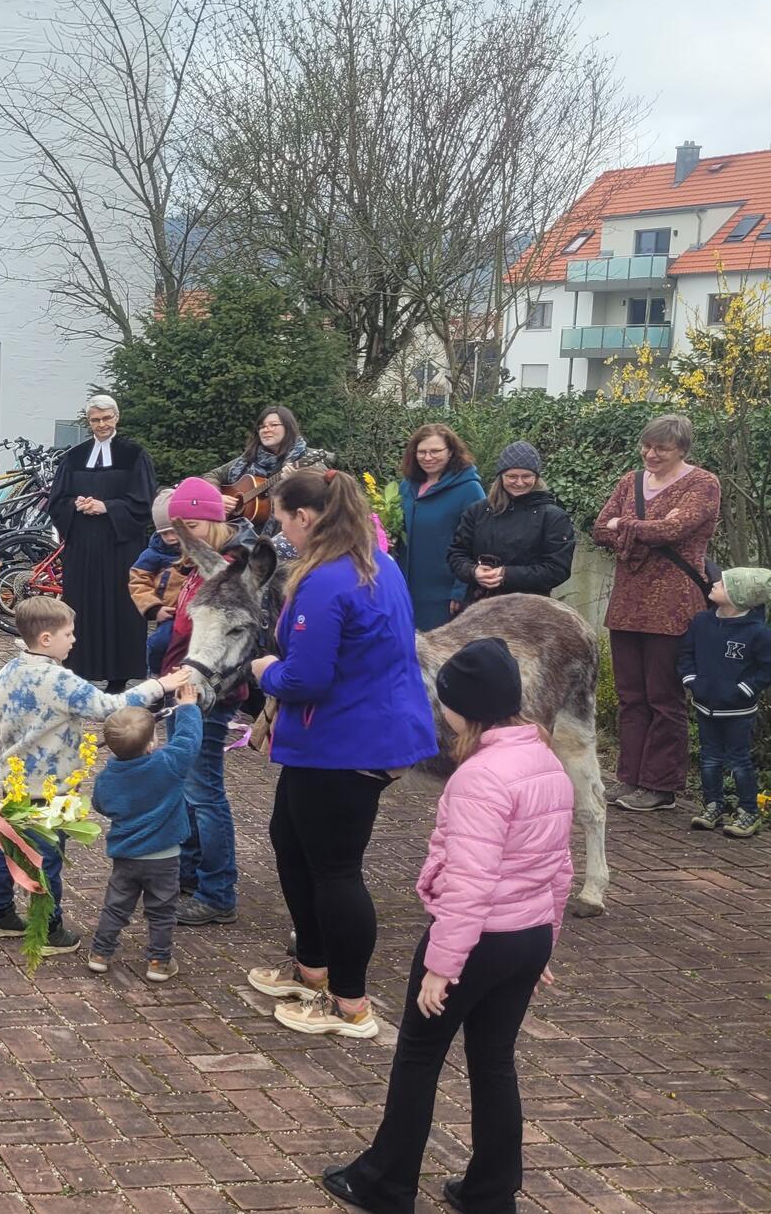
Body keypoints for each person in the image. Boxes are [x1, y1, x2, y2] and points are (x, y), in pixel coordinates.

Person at [321, 638, 571, 1214]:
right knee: (494, 1060)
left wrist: (442, 965)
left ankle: (385, 1183)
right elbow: (559, 866)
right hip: (526, 936)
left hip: (476, 939)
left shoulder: (480, 776)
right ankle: (490, 1191)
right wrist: (546, 943)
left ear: (464, 706)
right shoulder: (545, 760)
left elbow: (470, 882)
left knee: (418, 1054)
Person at [245, 469, 438, 1040]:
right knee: (290, 839)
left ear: (306, 517)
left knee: (335, 869)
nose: (277, 526)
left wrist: (264, 671)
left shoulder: (328, 581)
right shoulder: (378, 562)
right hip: (347, 735)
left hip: (345, 741)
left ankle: (349, 1004)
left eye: (281, 516)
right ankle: (313, 967)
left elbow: (305, 677)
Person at [0, 596, 182, 951]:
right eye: (69, 634)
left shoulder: (6, 672)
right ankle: (48, 929)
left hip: (13, 780)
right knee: (48, 860)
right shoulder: (61, 681)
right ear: (46, 639)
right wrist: (161, 686)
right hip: (51, 787)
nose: (74, 640)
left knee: (9, 847)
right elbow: (112, 706)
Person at [592, 414, 722, 814]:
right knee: (632, 697)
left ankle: (661, 786)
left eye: (661, 449)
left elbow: (673, 530)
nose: (650, 454)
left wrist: (625, 524)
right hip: (628, 602)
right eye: (646, 446)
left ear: (681, 449)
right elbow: (599, 528)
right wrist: (639, 525)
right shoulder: (629, 482)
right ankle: (629, 778)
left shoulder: (703, 484)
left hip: (674, 605)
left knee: (664, 696)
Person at [158, 478, 258, 927]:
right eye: (181, 529)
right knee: (185, 785)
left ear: (217, 522)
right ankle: (190, 872)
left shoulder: (233, 572)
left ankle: (217, 890)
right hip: (180, 688)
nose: (188, 536)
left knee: (204, 791)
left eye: (195, 524)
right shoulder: (197, 566)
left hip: (208, 695)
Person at [87, 687, 201, 981]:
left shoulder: (107, 778)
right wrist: (188, 707)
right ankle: (158, 963)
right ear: (152, 743)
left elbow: (100, 805)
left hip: (126, 855)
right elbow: (189, 741)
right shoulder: (168, 764)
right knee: (162, 911)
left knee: (116, 906)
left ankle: (100, 953)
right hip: (164, 856)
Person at [48, 395, 157, 688]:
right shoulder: (74, 457)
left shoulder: (134, 455)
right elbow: (57, 500)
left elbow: (144, 503)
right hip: (82, 547)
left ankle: (119, 677)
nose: (101, 425)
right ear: (89, 422)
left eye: (107, 418)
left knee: (120, 608)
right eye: (95, 420)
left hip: (120, 549)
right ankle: (80, 669)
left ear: (116, 418)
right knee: (82, 607)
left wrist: (107, 507)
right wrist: (76, 505)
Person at [681, 568, 771, 837]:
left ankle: (748, 812)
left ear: (738, 596)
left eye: (722, 583)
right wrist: (691, 680)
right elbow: (686, 654)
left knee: (738, 761)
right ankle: (713, 805)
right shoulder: (701, 622)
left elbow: (766, 669)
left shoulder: (758, 633)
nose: (714, 583)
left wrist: (743, 689)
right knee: (709, 759)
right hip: (705, 706)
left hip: (738, 710)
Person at [445, 442, 574, 609]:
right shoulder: (477, 512)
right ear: (501, 477)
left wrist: (506, 574)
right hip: (477, 608)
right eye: (512, 476)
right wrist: (473, 571)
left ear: (536, 478)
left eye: (526, 476)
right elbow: (456, 554)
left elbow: (557, 569)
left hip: (529, 610)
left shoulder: (553, 517)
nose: (519, 483)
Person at [394, 424, 484, 631]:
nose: (428, 457)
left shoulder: (470, 489)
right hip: (405, 589)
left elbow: (478, 542)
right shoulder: (406, 487)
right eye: (422, 452)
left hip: (443, 594)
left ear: (451, 452)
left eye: (435, 451)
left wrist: (461, 590)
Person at [212, 406, 311, 529]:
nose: (266, 430)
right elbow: (211, 476)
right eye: (262, 427)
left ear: (288, 427)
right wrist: (216, 497)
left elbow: (321, 496)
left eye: (273, 425)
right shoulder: (247, 459)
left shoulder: (306, 458)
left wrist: (295, 484)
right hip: (240, 536)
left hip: (288, 534)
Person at [131, 489, 183, 671]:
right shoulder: (153, 554)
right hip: (170, 613)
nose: (170, 537)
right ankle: (156, 675)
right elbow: (138, 581)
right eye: (164, 533)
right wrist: (154, 608)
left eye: (173, 531)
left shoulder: (196, 547)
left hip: (195, 611)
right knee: (159, 643)